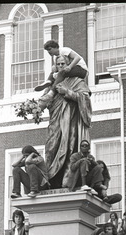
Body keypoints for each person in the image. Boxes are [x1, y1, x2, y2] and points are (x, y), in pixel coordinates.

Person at [39, 55, 92, 189]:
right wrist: (34, 107)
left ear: (68, 65)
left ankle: (66, 180)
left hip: (70, 123)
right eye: (58, 64)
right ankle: (49, 179)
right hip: (55, 123)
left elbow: (85, 100)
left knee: (69, 149)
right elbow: (44, 101)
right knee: (51, 148)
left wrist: (67, 92)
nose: (61, 66)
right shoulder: (53, 84)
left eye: (63, 63)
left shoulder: (78, 81)